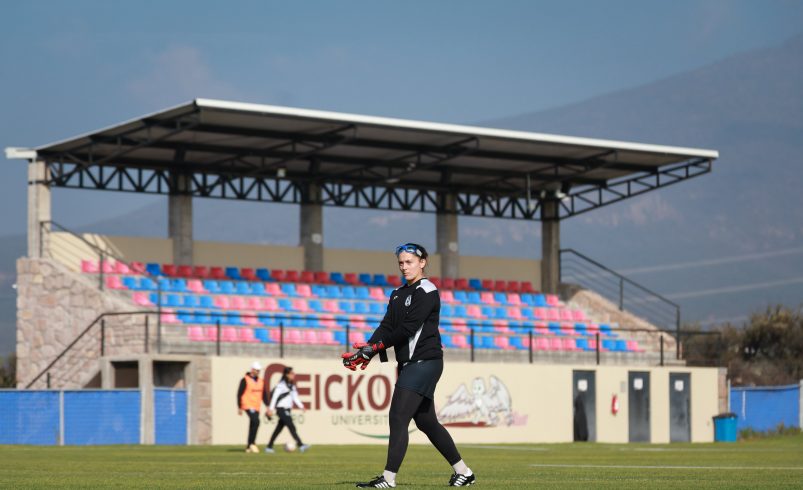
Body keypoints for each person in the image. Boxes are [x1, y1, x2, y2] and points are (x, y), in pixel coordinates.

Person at [342, 243, 476, 488]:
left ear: (422, 262)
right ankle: (464, 472)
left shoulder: (427, 290)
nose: (404, 267)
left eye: (409, 262)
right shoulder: (397, 293)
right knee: (426, 422)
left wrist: (376, 347)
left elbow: (407, 329)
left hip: (425, 362)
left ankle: (388, 479)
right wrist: (367, 349)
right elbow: (387, 326)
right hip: (410, 364)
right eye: (401, 263)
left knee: (398, 416)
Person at [264, 366, 310, 453]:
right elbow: (274, 397)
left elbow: (295, 398)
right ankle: (301, 445)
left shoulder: (292, 386)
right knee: (291, 425)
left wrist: (301, 406)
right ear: (286, 374)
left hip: (288, 409)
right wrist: (271, 409)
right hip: (281, 409)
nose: (294, 375)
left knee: (278, 429)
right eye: (291, 373)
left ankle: (269, 447)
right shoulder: (280, 385)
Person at [237, 361, 267, 453]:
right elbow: (239, 394)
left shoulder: (261, 381)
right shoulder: (245, 380)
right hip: (247, 405)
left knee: (253, 424)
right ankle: (252, 443)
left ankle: (248, 446)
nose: (258, 372)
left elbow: (264, 395)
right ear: (252, 370)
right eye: (257, 370)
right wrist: (239, 406)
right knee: (256, 421)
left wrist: (268, 406)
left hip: (256, 406)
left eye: (259, 370)